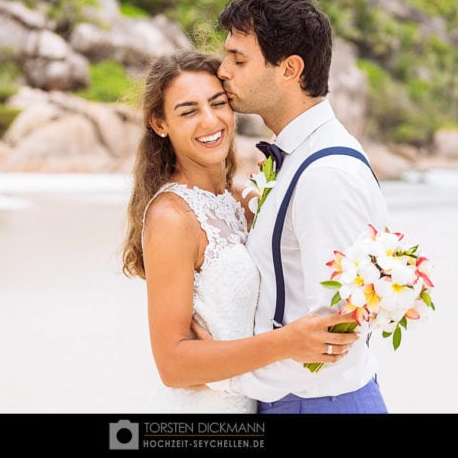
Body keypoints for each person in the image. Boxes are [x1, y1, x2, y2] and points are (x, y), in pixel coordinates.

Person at [121, 49, 358, 413]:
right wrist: (287, 343)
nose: (210, 121)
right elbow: (172, 365)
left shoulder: (243, 199)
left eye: (218, 103)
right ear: (159, 123)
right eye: (188, 111)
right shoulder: (172, 217)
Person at [205, 0, 390, 413]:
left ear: (289, 69)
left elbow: (330, 340)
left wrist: (221, 367)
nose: (223, 71)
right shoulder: (301, 157)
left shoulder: (325, 176)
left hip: (318, 404)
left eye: (239, 59)